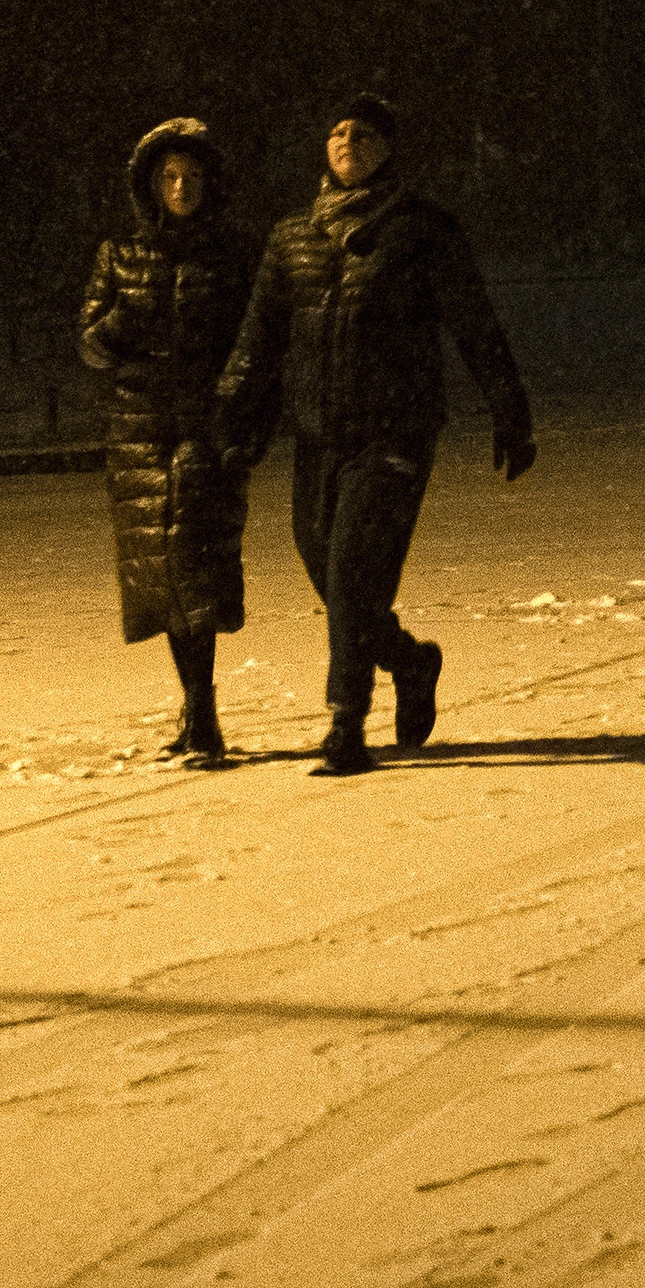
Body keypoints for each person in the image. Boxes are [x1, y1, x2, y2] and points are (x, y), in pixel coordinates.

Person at [216, 90, 533, 776]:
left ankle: (345, 722)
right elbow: (258, 337)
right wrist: (231, 415)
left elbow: (473, 321)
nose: (347, 140)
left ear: (387, 149)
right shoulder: (291, 236)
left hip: (396, 428)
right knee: (324, 564)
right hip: (318, 431)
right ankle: (410, 661)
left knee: (353, 570)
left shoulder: (423, 229)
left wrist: (510, 406)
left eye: (363, 133)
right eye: (336, 130)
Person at [76, 115, 261, 764]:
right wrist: (125, 317)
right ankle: (194, 706)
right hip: (138, 440)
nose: (181, 187)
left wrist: (244, 422)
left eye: (192, 176)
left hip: (206, 435)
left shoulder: (236, 255)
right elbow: (91, 346)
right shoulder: (118, 255)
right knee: (161, 579)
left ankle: (203, 713)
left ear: (212, 184)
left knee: (197, 570)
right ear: (151, 185)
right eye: (170, 176)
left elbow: (255, 344)